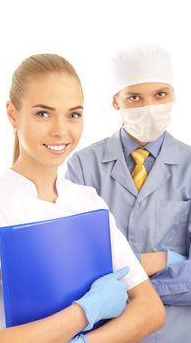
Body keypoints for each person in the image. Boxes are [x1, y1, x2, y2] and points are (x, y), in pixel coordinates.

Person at [0, 53, 165, 343]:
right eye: (43, 113)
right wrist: (84, 311)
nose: (61, 130)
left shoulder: (89, 202)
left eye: (73, 114)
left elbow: (151, 310)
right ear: (13, 114)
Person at [66, 45, 191, 343]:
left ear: (173, 95)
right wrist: (163, 261)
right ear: (115, 102)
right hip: (106, 334)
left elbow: (96, 281)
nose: (149, 106)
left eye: (160, 95)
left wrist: (118, 290)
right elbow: (76, 269)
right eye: (134, 97)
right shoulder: (83, 165)